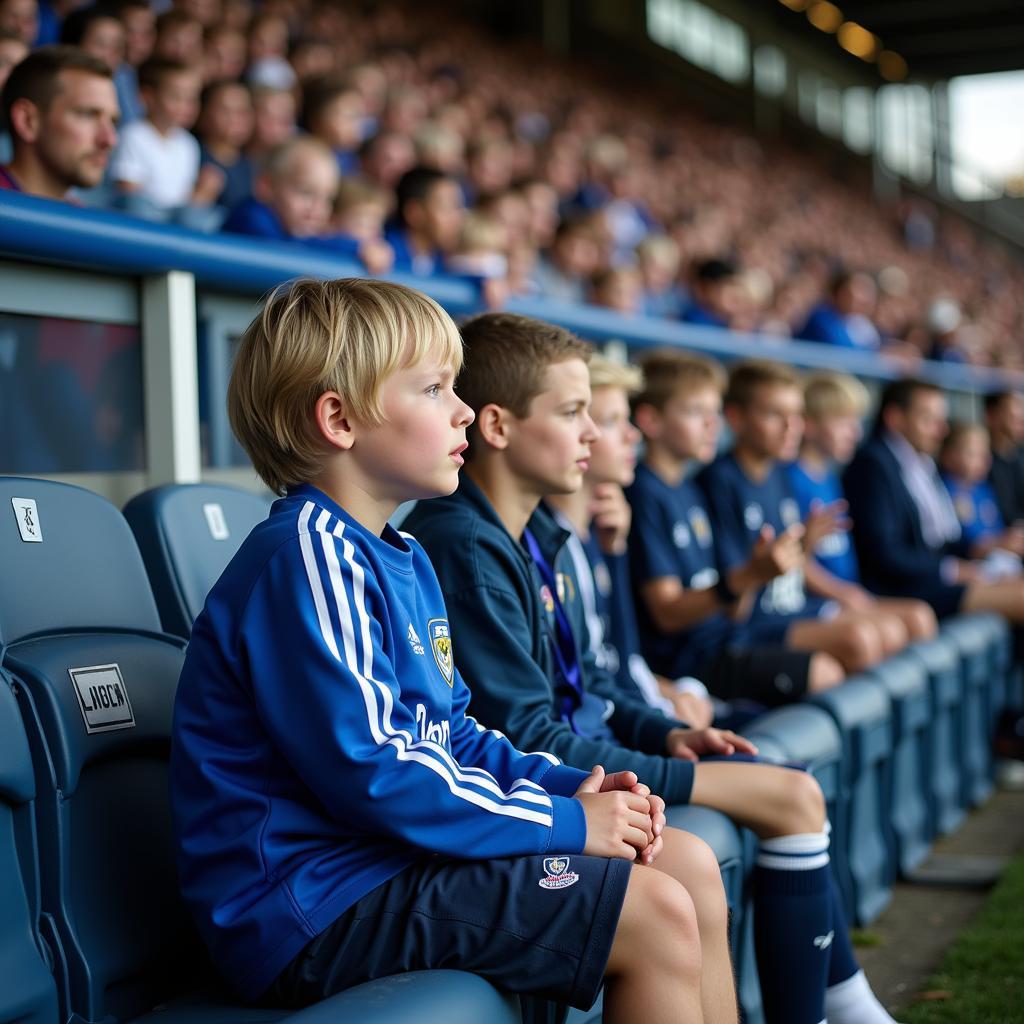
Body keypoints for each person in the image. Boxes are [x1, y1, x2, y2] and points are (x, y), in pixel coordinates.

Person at [171, 278, 712, 1024]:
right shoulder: (307, 556)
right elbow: (379, 770)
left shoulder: (402, 554)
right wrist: (562, 824)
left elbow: (451, 734)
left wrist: (568, 787)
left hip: (387, 864)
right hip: (310, 905)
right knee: (649, 913)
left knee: (680, 858)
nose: (462, 409)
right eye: (433, 389)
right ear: (338, 419)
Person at [406, 312, 899, 1024]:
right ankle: (840, 1008)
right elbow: (526, 732)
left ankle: (840, 1004)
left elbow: (599, 679)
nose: (595, 435)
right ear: (499, 426)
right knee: (782, 796)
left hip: (577, 770)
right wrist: (659, 772)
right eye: (576, 413)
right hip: (538, 794)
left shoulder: (533, 532)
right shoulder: (465, 546)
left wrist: (666, 738)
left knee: (763, 800)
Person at [627, 349, 846, 706]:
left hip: (727, 639)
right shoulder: (644, 492)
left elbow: (735, 609)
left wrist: (764, 568)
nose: (713, 425)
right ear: (651, 421)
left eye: (714, 413)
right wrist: (750, 576)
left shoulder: (689, 488)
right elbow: (667, 615)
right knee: (828, 670)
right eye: (696, 412)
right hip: (689, 659)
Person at [699, 360, 905, 673]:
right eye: (773, 414)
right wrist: (759, 571)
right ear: (736, 419)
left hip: (794, 607)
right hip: (754, 624)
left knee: (895, 627)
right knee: (859, 639)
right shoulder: (720, 481)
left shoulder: (779, 474)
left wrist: (804, 547)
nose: (790, 426)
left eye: (796, 415)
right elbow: (734, 609)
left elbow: (791, 566)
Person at [547, 353, 717, 729]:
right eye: (612, 421)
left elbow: (618, 660)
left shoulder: (598, 531)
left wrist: (615, 551)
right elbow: (592, 684)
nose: (631, 436)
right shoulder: (550, 540)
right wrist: (665, 729)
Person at [844, 377, 1024, 623]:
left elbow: (943, 540)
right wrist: (951, 570)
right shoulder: (874, 465)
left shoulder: (922, 463)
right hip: (904, 588)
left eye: (941, 421)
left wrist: (985, 549)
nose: (942, 430)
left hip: (932, 577)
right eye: (929, 420)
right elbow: (885, 555)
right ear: (895, 418)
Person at [789, 372, 937, 639]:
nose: (855, 432)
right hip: (817, 602)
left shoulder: (830, 477)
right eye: (843, 421)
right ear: (809, 424)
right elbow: (797, 560)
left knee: (919, 615)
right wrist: (841, 592)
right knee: (895, 628)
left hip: (848, 592)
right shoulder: (792, 479)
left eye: (856, 421)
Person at [0, 44, 119, 199]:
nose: (109, 140)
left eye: (113, 121)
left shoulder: (80, 219)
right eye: (87, 115)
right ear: (27, 121)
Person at [110, 56, 203, 217]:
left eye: (192, 99)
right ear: (148, 97)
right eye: (176, 97)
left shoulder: (190, 144)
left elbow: (185, 200)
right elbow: (129, 196)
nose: (185, 106)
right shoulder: (133, 135)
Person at [939, 422, 1024, 571]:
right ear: (948, 456)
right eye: (973, 453)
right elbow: (964, 547)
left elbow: (995, 531)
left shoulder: (984, 489)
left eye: (985, 453)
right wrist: (1002, 543)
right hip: (969, 569)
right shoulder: (943, 491)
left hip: (1000, 563)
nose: (984, 459)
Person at [385, 165, 465, 276]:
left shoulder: (443, 261)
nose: (457, 218)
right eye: (447, 207)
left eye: (458, 207)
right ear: (414, 213)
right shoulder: (381, 254)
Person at [984, 390, 1024, 527]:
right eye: (1013, 416)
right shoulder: (981, 462)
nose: (1021, 421)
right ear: (991, 416)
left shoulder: (1019, 455)